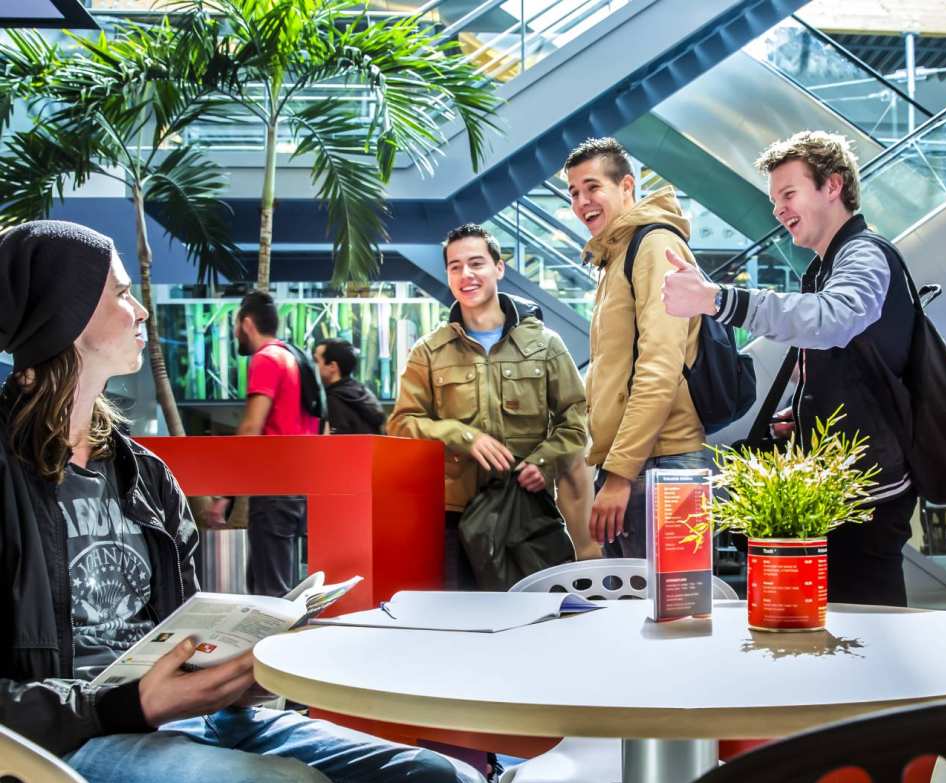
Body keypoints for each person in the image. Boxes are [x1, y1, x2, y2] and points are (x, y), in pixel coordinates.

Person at [0, 220, 497, 783]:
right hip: (58, 761)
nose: (139, 312)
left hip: (184, 726)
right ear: (62, 315)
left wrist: (247, 658)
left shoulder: (143, 473)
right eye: (121, 295)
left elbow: (179, 629)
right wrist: (123, 707)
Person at [662, 130, 917, 606]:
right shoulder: (826, 266)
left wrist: (720, 300)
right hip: (847, 484)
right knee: (840, 623)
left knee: (869, 625)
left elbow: (834, 320)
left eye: (788, 193)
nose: (778, 209)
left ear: (833, 186)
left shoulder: (865, 254)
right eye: (774, 199)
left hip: (870, 491)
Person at [388, 223, 587, 590]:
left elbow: (576, 419)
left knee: (536, 623)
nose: (466, 275)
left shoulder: (545, 344)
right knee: (459, 629)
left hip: (526, 513)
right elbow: (402, 423)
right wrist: (462, 436)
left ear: (499, 268)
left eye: (476, 263)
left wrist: (545, 460)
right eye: (455, 266)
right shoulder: (429, 352)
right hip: (453, 518)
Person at [565, 137, 712, 558]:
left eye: (593, 187)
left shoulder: (652, 248)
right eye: (574, 192)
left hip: (661, 466)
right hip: (637, 466)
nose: (581, 202)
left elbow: (660, 365)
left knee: (671, 615)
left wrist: (619, 476)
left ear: (626, 186)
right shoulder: (617, 255)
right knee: (632, 613)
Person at [204, 291, 317, 597]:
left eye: (236, 325)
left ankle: (280, 646)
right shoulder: (295, 357)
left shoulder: (266, 359)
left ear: (247, 323)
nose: (236, 333)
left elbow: (251, 428)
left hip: (274, 488)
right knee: (273, 585)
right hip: (298, 488)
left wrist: (226, 492)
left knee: (271, 592)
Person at [313, 338, 386, 435]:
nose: (313, 366)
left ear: (332, 366)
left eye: (316, 361)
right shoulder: (364, 393)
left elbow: (336, 445)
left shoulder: (334, 400)